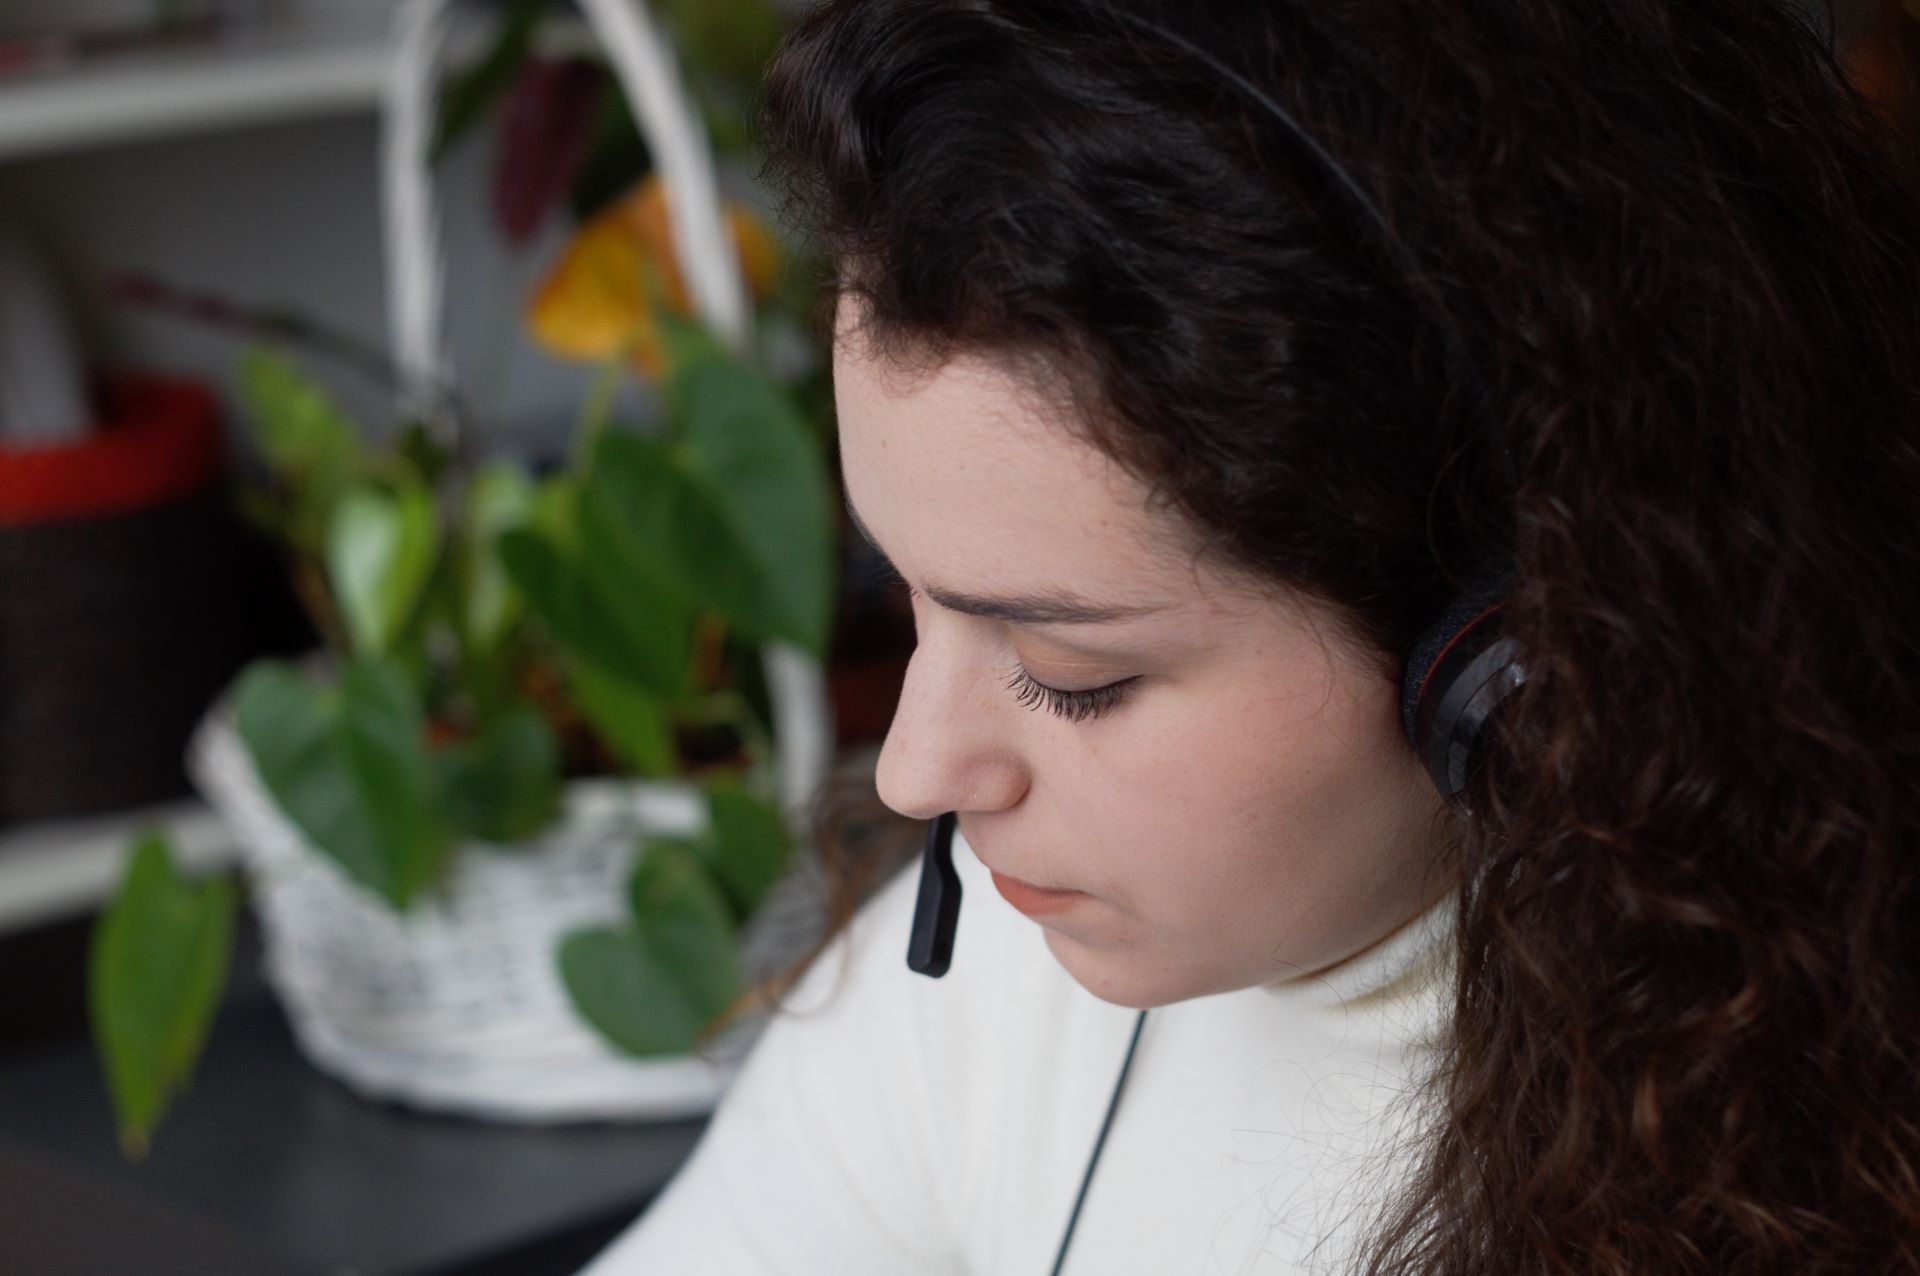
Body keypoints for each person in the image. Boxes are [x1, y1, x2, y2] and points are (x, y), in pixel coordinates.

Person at [579, 2, 1920, 1272]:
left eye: (1072, 676)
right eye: (908, 599)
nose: (912, 774)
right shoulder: (980, 984)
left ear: (1512, 662)